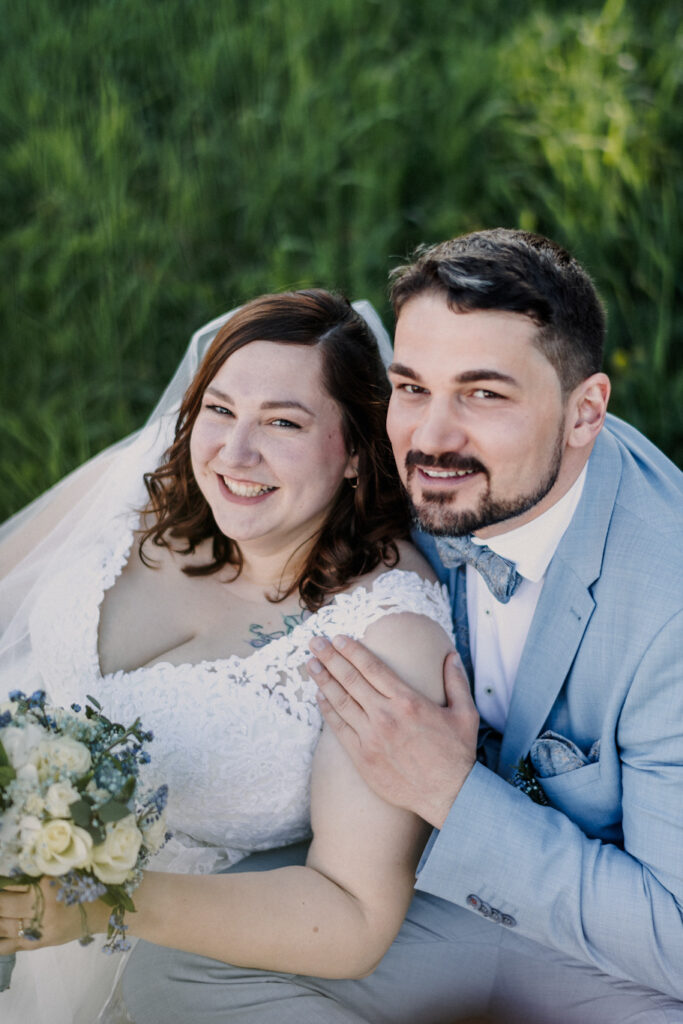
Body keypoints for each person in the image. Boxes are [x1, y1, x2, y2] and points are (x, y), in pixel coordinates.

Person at [121, 230, 683, 1024]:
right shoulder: (421, 478)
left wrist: (449, 791)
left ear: (584, 411)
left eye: (484, 395)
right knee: (173, 972)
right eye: (412, 387)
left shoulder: (669, 609)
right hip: (451, 901)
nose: (430, 439)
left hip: (631, 961)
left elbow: (676, 937)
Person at [0, 289, 456, 1024]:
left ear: (355, 452)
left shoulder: (381, 636)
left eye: (282, 422)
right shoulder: (157, 484)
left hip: (146, 952)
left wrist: (92, 903)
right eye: (218, 409)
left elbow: (352, 918)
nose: (233, 454)